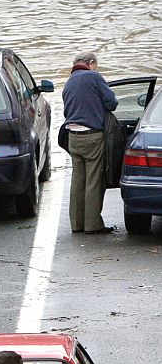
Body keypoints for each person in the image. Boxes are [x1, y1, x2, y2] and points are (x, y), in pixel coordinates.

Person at [62, 51, 118, 234]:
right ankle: (92, 225)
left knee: (78, 181)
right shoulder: (94, 76)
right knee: (94, 181)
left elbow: (67, 110)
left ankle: (77, 224)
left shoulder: (70, 81)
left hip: (73, 136)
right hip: (92, 136)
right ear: (91, 63)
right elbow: (111, 103)